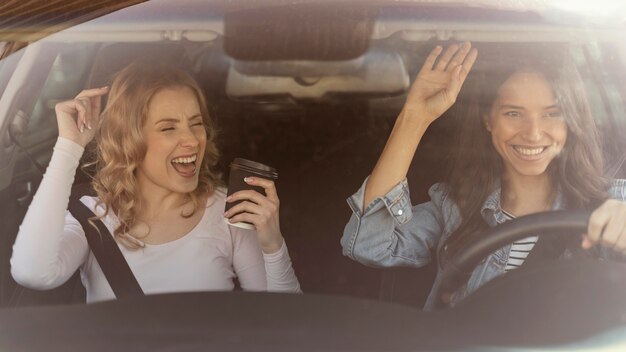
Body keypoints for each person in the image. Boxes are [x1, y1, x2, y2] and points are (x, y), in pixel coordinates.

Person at [340, 42, 626, 310]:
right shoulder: (453, 207)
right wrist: (415, 116)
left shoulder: (612, 206)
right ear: (488, 120)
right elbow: (369, 245)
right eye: (514, 113)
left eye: (552, 114)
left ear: (571, 121)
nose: (534, 133)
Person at [11, 63, 300, 303]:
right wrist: (69, 146)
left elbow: (283, 324)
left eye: (196, 123)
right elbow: (32, 273)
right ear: (130, 140)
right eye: (169, 127)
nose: (192, 140)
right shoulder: (93, 215)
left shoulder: (226, 210)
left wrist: (273, 244)